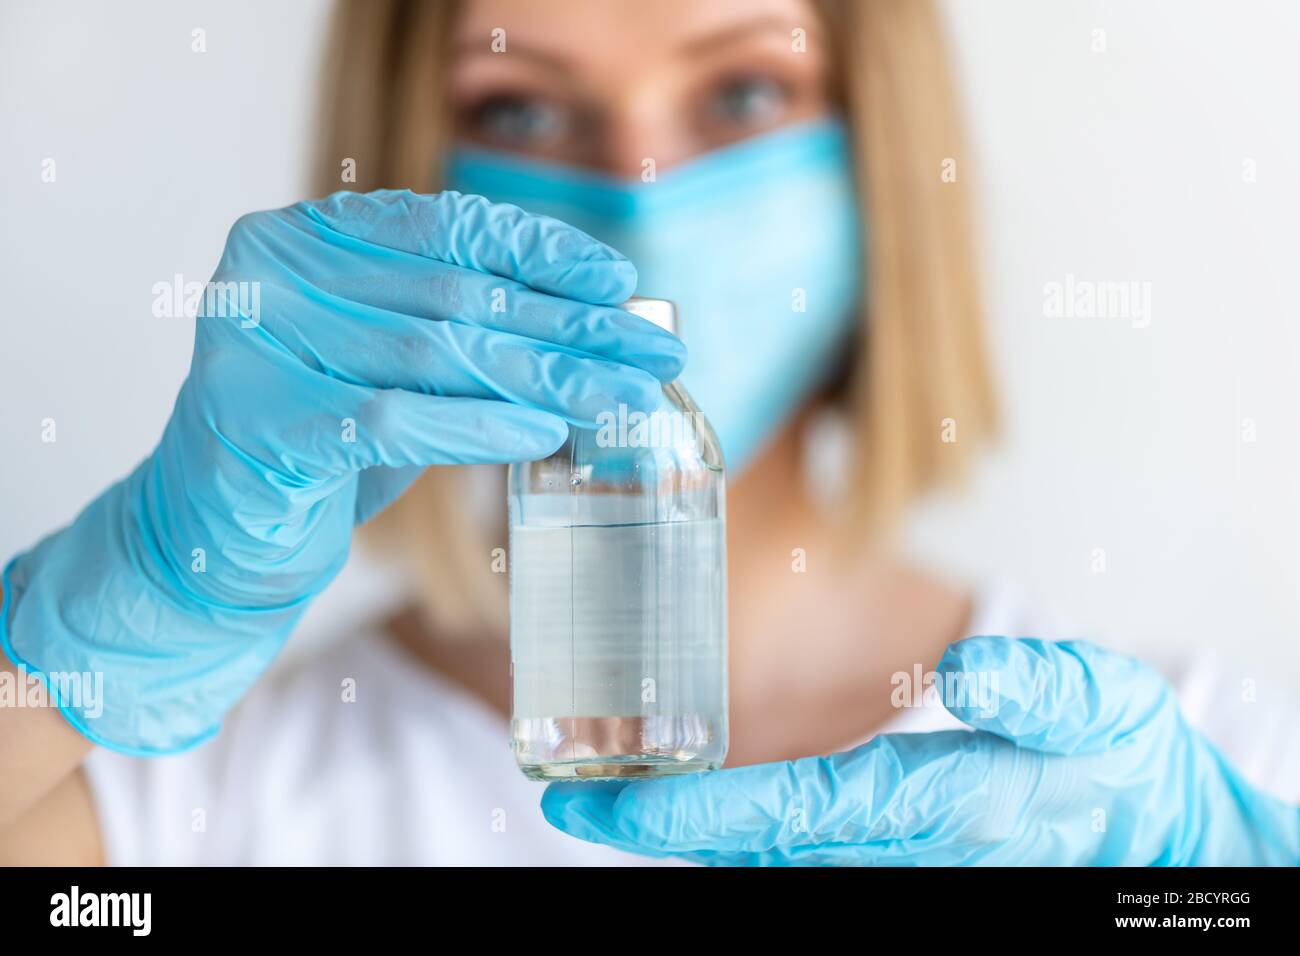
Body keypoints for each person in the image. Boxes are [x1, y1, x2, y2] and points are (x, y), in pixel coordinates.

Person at [0, 0, 1296, 866]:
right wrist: (103, 620)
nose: (639, 189)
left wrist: (1207, 889)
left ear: (881, 147)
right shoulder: (188, 813)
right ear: (408, 167)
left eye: (740, 93)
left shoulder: (1158, 780)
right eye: (517, 108)